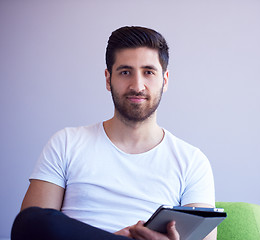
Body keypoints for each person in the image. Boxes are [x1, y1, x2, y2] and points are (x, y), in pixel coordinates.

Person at [11, 26, 216, 240]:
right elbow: (30, 230)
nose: (137, 86)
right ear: (108, 79)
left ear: (164, 80)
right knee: (31, 219)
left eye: (148, 72)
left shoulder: (192, 161)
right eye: (125, 72)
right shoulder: (66, 143)